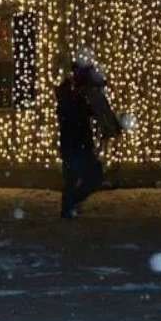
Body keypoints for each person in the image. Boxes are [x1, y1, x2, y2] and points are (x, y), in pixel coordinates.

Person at [55, 62, 103, 219]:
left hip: (77, 145)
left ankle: (69, 205)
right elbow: (77, 113)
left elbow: (93, 112)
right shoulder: (69, 97)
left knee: (83, 179)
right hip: (75, 146)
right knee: (88, 178)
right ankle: (69, 206)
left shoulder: (76, 97)